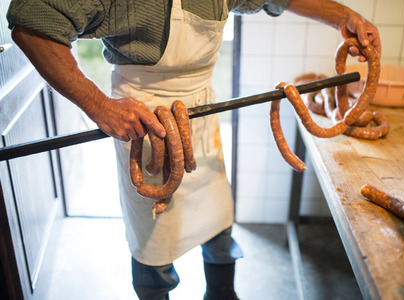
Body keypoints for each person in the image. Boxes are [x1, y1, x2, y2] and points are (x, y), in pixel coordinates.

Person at [6, 0, 381, 299]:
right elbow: (31, 22)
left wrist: (342, 17)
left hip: (201, 112)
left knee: (217, 219)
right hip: (144, 120)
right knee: (153, 236)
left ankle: (222, 294)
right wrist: (99, 105)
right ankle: (155, 293)